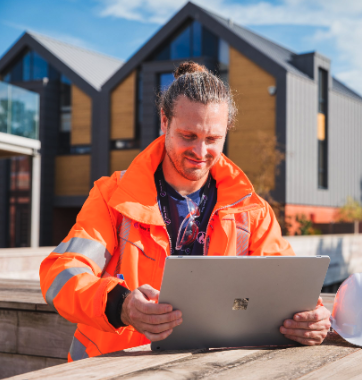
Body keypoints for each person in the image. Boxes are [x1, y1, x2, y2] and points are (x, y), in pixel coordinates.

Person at [40, 61, 331, 362]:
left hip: (212, 368)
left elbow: (293, 289)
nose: (201, 152)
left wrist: (313, 318)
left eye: (213, 139)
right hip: (113, 367)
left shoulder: (252, 210)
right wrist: (122, 305)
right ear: (164, 121)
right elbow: (61, 274)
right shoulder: (112, 196)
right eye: (188, 136)